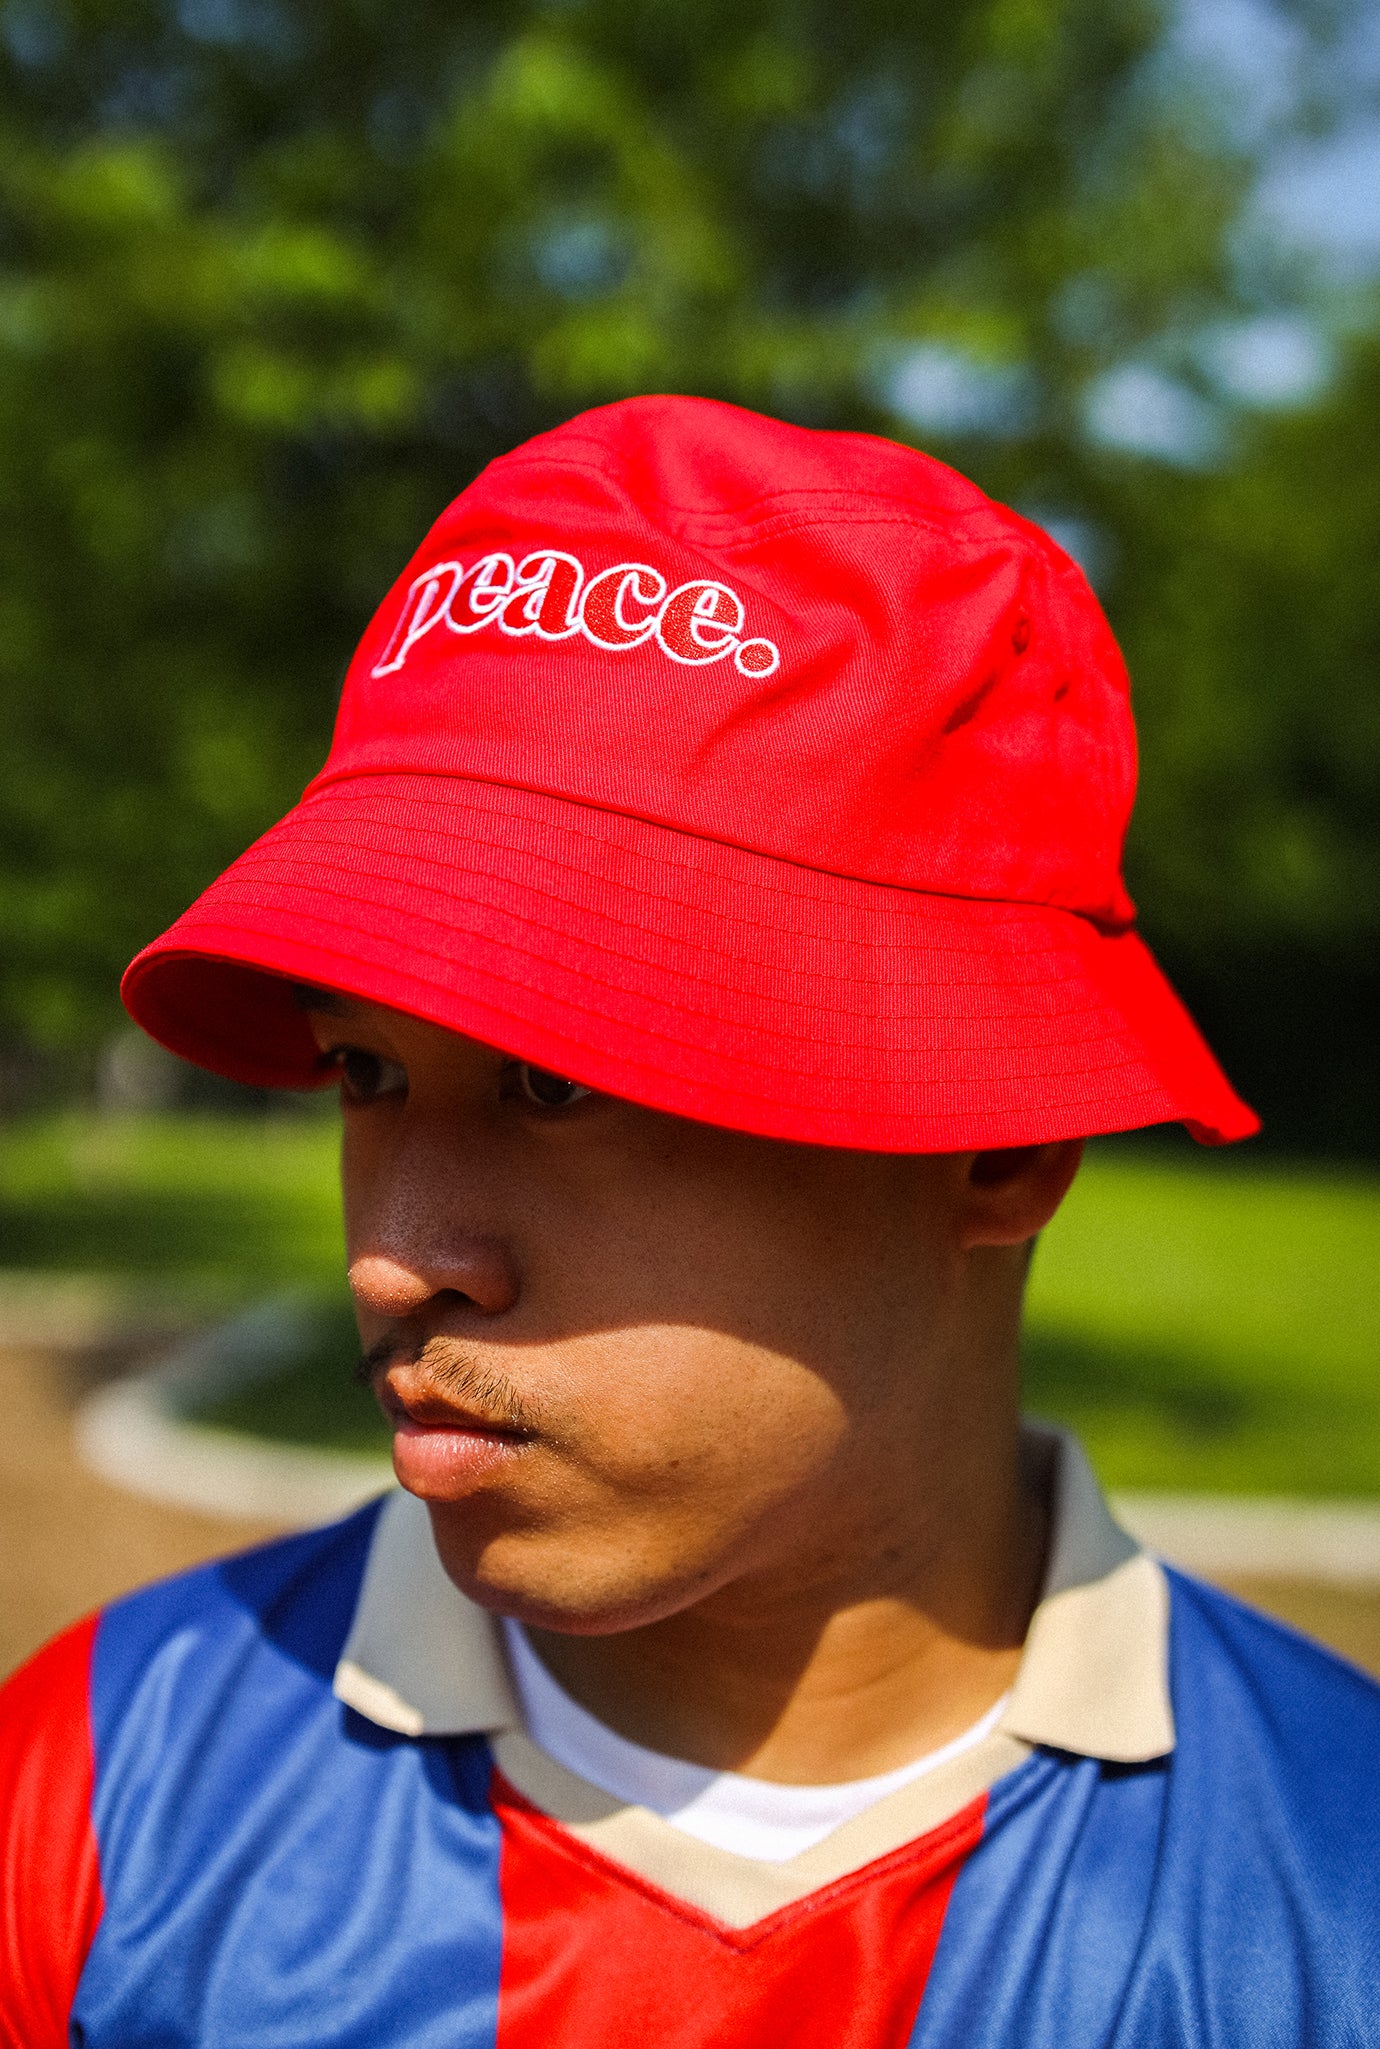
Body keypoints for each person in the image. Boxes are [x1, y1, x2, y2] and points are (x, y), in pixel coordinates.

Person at [2, 395, 1377, 2048]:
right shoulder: (96, 1792)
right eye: (365, 1068)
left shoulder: (1325, 1909)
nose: (393, 1252)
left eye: (562, 1081)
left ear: (1004, 1146)